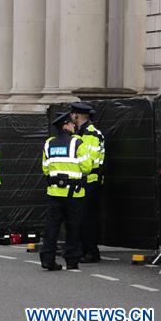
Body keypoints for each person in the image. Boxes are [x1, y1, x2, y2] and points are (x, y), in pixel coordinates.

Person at [40, 112, 92, 271]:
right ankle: (71, 261)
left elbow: (45, 167)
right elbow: (87, 167)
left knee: (52, 228)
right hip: (74, 194)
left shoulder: (49, 143)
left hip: (54, 192)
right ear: (66, 125)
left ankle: (48, 260)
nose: (74, 126)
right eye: (72, 124)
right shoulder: (78, 143)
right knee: (73, 228)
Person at [70, 102, 105, 263]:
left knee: (87, 218)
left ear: (76, 115)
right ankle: (84, 249)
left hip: (90, 180)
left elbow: (87, 162)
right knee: (81, 218)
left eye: (72, 114)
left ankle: (91, 251)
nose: (70, 117)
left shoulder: (90, 134)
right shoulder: (82, 133)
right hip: (83, 181)